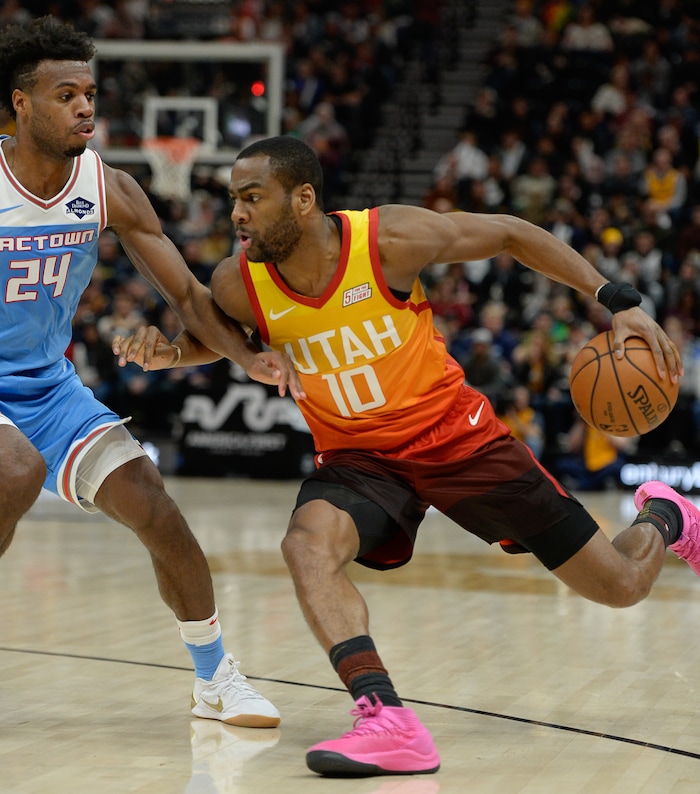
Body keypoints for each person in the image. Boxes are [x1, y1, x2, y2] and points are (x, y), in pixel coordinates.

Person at [117, 136, 692, 779]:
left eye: (253, 198)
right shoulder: (237, 281)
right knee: (307, 545)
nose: (238, 215)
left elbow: (507, 234)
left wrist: (619, 301)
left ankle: (668, 518)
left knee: (618, 586)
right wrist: (169, 352)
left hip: (457, 438)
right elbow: (219, 338)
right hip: (358, 455)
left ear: (303, 199)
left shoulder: (387, 241)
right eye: (234, 200)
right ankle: (385, 718)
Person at [0, 18, 305, 729]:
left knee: (155, 505)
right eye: (65, 93)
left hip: (48, 388)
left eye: (91, 93)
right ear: (20, 103)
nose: (85, 107)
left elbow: (190, 297)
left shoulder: (107, 188)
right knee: (13, 470)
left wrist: (247, 357)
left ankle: (216, 680)